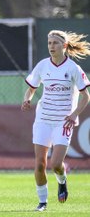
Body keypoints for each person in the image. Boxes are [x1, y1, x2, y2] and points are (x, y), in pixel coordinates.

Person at [21, 30, 90, 212]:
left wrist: (75, 114)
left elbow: (85, 96)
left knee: (56, 165)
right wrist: (27, 99)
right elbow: (31, 89)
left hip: (63, 122)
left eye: (55, 43)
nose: (51, 46)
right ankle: (42, 202)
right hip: (43, 120)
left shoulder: (73, 68)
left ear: (64, 46)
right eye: (50, 43)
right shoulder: (43, 65)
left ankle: (62, 180)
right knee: (40, 164)